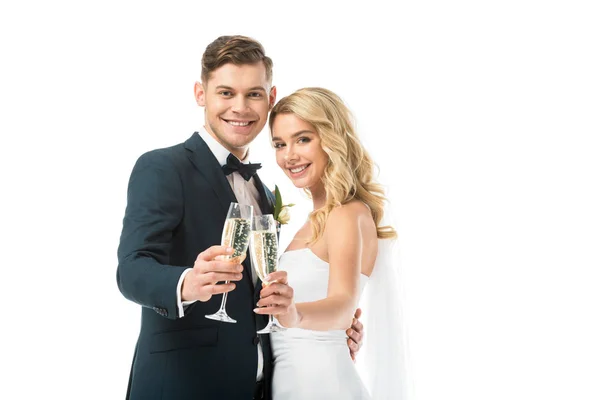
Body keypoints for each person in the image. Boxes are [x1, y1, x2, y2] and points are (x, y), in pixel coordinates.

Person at [116, 36, 363, 400]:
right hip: (183, 387)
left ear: (270, 97)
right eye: (226, 93)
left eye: (254, 94)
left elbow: (260, 295)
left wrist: (323, 331)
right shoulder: (163, 167)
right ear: (201, 94)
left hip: (261, 387)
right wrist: (187, 282)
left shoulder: (263, 190)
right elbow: (132, 269)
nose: (241, 108)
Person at [255, 87, 407, 399]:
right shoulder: (313, 221)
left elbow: (343, 306)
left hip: (323, 387)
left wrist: (294, 314)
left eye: (303, 139)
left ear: (331, 139)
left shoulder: (347, 213)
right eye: (279, 144)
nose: (289, 155)